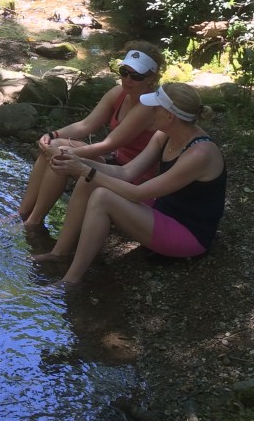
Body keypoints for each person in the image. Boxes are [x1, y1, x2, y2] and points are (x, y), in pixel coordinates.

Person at [33, 83, 226, 285]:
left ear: (170, 116)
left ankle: (70, 281)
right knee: (90, 182)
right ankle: (59, 253)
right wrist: (79, 163)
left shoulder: (200, 154)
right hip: (163, 210)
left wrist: (84, 170)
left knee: (102, 197)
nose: (149, 111)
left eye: (155, 108)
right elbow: (126, 172)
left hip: (189, 234)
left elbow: (137, 194)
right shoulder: (164, 135)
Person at [19, 41, 165, 230]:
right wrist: (52, 134)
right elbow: (86, 125)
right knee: (53, 146)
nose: (127, 79)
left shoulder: (148, 105)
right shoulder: (119, 92)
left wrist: (65, 152)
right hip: (113, 161)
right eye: (124, 72)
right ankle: (24, 212)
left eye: (136, 76)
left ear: (151, 78)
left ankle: (33, 222)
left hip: (131, 174)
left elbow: (109, 144)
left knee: (61, 156)